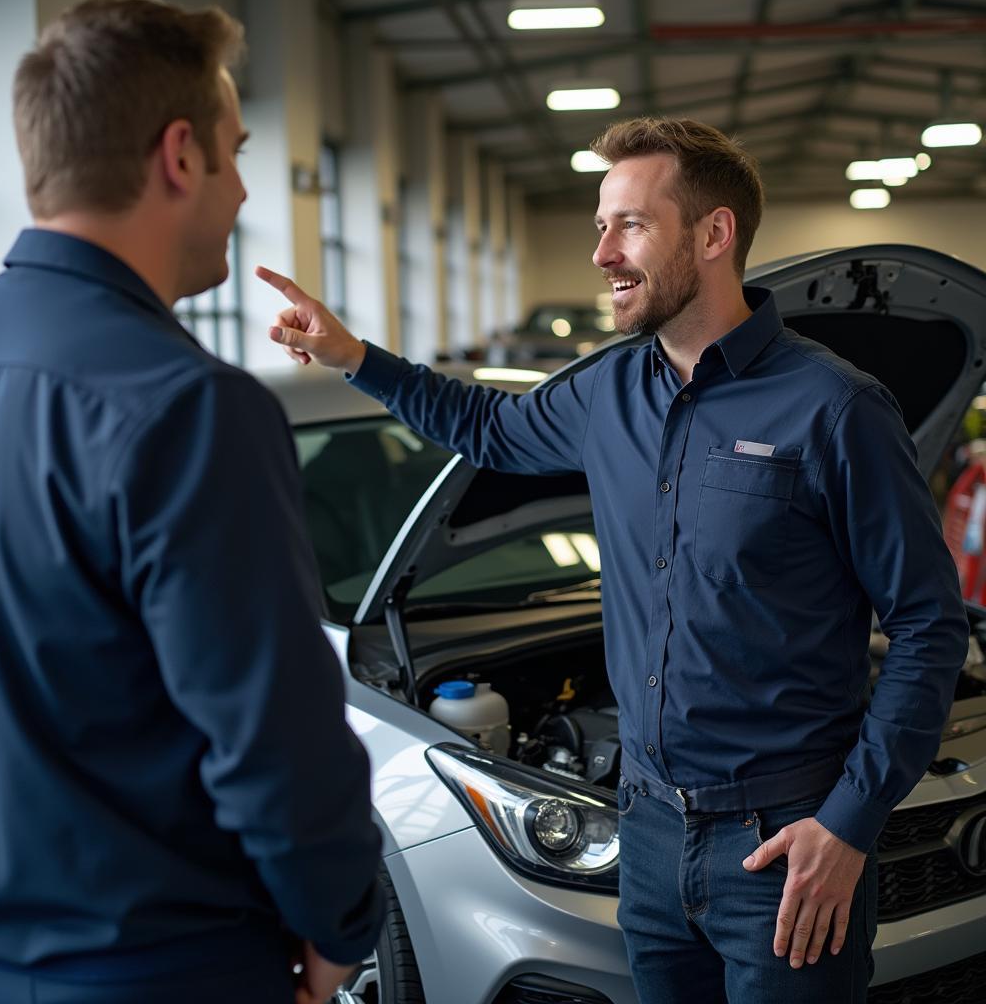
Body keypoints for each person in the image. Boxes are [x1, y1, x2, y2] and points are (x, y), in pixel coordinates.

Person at [256, 116, 968, 1003]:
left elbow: (929, 626)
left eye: (629, 224)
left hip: (785, 844)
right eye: (600, 225)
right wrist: (352, 356)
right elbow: (479, 427)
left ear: (714, 235)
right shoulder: (606, 390)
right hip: (647, 834)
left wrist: (850, 825)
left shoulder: (835, 409)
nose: (601, 253)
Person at [0, 0, 382, 1004]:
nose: (243, 191)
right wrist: (337, 922)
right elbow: (274, 735)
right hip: (161, 964)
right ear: (179, 155)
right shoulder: (187, 407)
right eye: (236, 155)